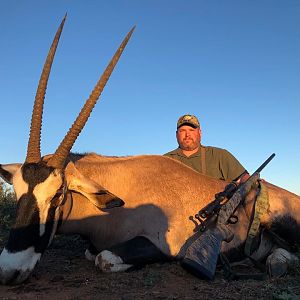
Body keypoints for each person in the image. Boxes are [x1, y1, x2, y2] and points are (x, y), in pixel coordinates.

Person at [164, 114, 248, 182]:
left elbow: (243, 178)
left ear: (200, 133)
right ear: (176, 134)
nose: (187, 135)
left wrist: (253, 182)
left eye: (191, 130)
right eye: (182, 131)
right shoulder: (165, 160)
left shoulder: (220, 155)